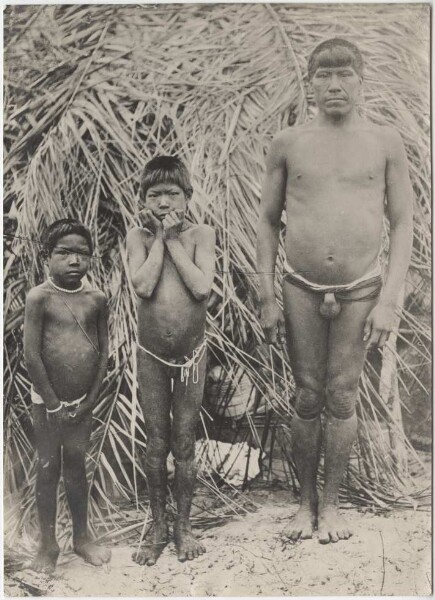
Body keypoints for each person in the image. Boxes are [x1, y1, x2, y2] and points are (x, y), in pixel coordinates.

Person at [256, 38, 413, 544]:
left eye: (345, 74)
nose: (335, 84)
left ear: (361, 81)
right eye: (324, 75)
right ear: (311, 84)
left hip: (361, 286)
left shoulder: (385, 141)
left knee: (342, 396)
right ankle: (303, 505)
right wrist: (264, 294)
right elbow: (266, 220)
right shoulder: (288, 142)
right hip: (300, 286)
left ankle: (334, 505)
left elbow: (404, 220)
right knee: (306, 394)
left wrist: (390, 299)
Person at [126, 156, 216, 564]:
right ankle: (159, 526)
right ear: (143, 200)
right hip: (151, 357)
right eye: (155, 195)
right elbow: (142, 285)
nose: (164, 202)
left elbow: (200, 288)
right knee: (156, 441)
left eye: (173, 194)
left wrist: (175, 239)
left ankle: (184, 527)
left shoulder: (201, 235)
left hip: (191, 357)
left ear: (188, 197)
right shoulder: (137, 237)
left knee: (183, 441)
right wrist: (160, 239)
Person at [24, 219, 111, 573]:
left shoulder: (97, 299)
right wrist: (53, 403)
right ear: (47, 257)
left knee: (77, 467)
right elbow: (31, 355)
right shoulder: (39, 298)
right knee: (48, 470)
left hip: (82, 405)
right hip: (48, 405)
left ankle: (81, 538)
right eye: (64, 253)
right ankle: (48, 546)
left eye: (82, 253)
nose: (74, 260)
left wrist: (89, 400)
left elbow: (104, 352)